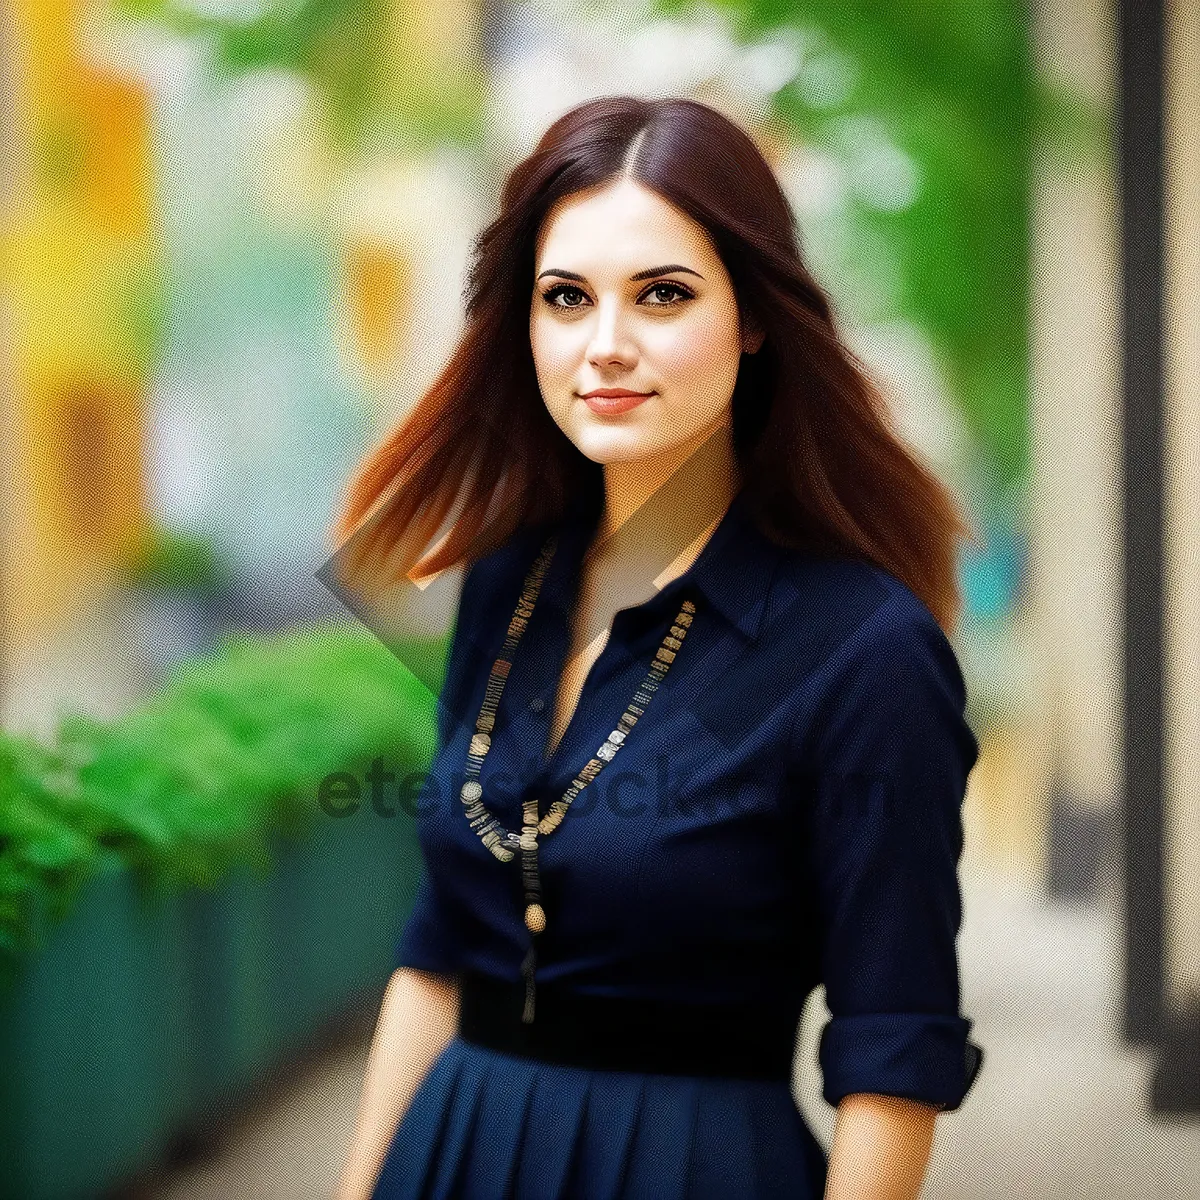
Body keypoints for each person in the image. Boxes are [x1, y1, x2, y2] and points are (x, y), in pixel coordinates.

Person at [333, 95, 983, 1200]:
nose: (605, 346)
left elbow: (894, 1054)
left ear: (755, 317)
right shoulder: (509, 580)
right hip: (446, 1158)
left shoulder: (863, 652)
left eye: (664, 295)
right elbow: (441, 951)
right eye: (566, 298)